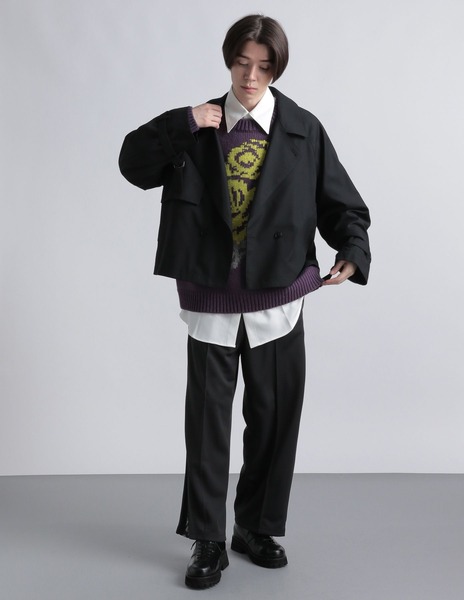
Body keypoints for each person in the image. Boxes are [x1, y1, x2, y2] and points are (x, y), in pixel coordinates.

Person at [119, 14, 371, 590]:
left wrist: (353, 251)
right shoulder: (197, 124)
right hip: (210, 299)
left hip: (280, 299)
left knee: (275, 421)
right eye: (241, 63)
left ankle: (255, 527)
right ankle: (207, 539)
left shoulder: (303, 129)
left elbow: (343, 205)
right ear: (228, 60)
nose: (251, 77)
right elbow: (132, 164)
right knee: (208, 427)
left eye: (264, 66)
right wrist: (183, 122)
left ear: (277, 69)